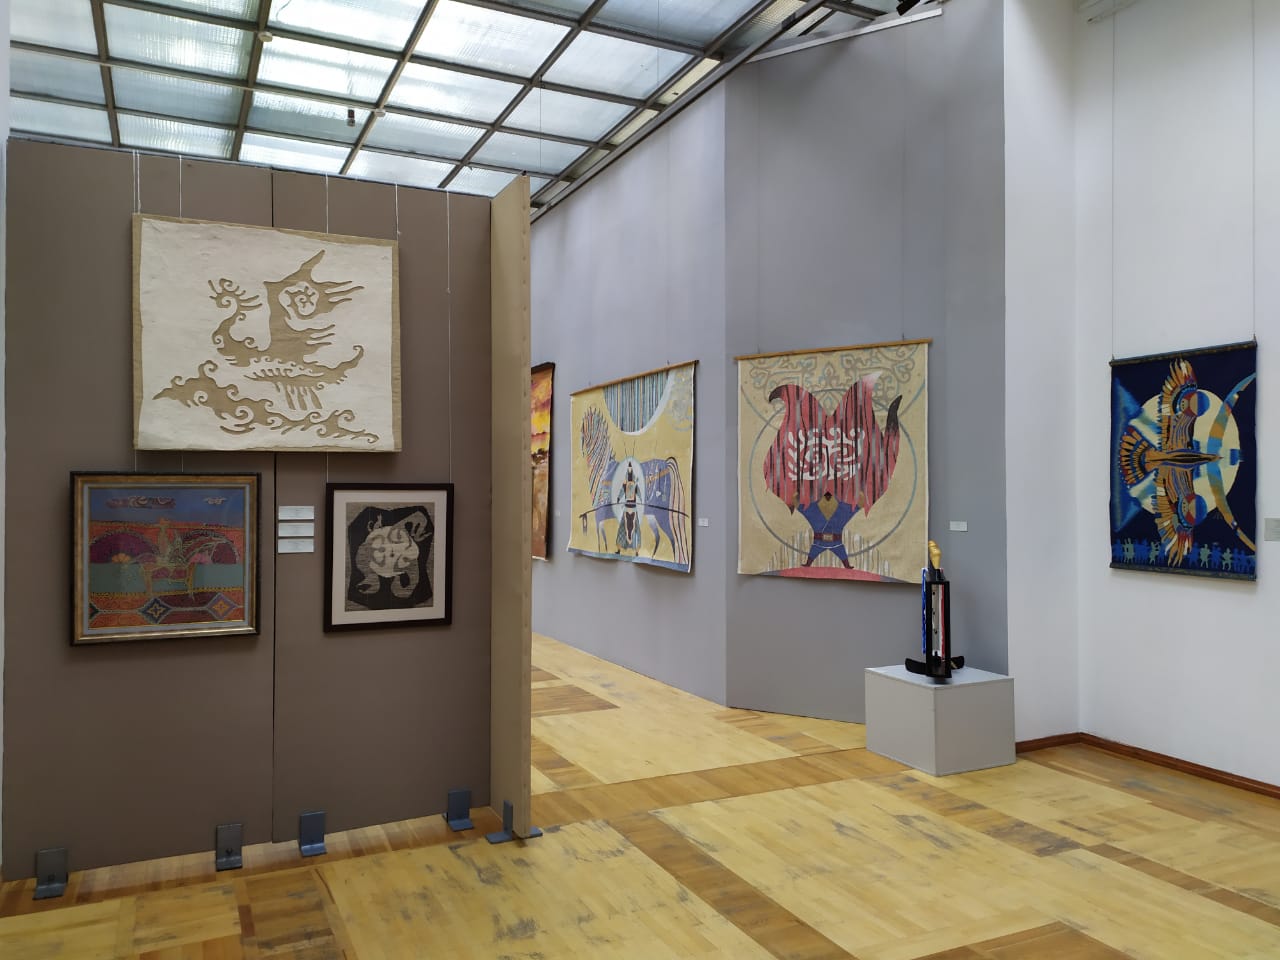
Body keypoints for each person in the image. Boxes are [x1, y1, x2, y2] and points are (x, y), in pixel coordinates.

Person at [797, 490, 855, 568]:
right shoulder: (814, 510)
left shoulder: (841, 510)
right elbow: (803, 509)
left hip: (835, 542)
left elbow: (852, 510)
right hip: (820, 542)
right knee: (813, 553)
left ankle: (847, 565)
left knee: (842, 553)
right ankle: (808, 564)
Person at [615, 462, 642, 554]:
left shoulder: (635, 483)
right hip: (626, 508)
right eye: (628, 470)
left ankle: (637, 551)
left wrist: (641, 499)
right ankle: (619, 549)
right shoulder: (625, 484)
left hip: (633, 508)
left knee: (635, 528)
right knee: (623, 529)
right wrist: (618, 498)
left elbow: (638, 492)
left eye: (631, 470)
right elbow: (622, 491)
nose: (630, 471)